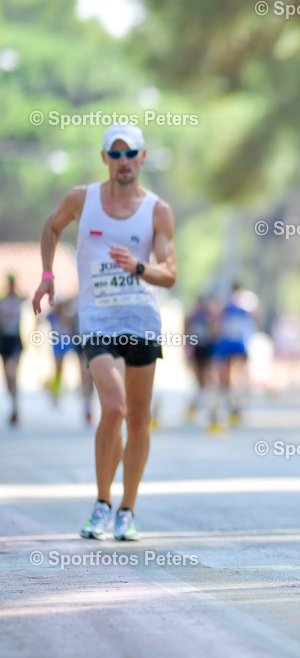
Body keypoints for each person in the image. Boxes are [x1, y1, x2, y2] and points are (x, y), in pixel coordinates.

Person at [32, 123, 177, 541]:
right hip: (97, 319)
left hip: (141, 321)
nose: (123, 162)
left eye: (130, 153)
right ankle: (101, 502)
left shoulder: (157, 210)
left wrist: (137, 266)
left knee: (137, 416)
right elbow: (51, 227)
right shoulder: (82, 199)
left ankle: (127, 510)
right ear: (104, 160)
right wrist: (46, 274)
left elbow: (169, 274)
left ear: (142, 157)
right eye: (115, 154)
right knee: (112, 408)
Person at [213, 283, 258, 426]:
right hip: (232, 345)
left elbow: (217, 324)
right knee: (231, 377)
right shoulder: (237, 307)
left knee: (233, 376)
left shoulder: (231, 307)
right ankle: (234, 403)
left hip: (234, 345)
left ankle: (236, 403)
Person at [184, 294, 215, 423]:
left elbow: (214, 331)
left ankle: (200, 405)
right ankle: (196, 405)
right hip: (198, 348)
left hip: (206, 347)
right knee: (200, 379)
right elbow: (187, 332)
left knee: (205, 378)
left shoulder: (208, 315)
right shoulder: (194, 316)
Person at [0, 273, 23, 427]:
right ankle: (13, 404)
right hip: (4, 340)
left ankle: (15, 408)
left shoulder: (20, 301)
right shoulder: (2, 302)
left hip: (16, 339)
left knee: (12, 371)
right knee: (8, 378)